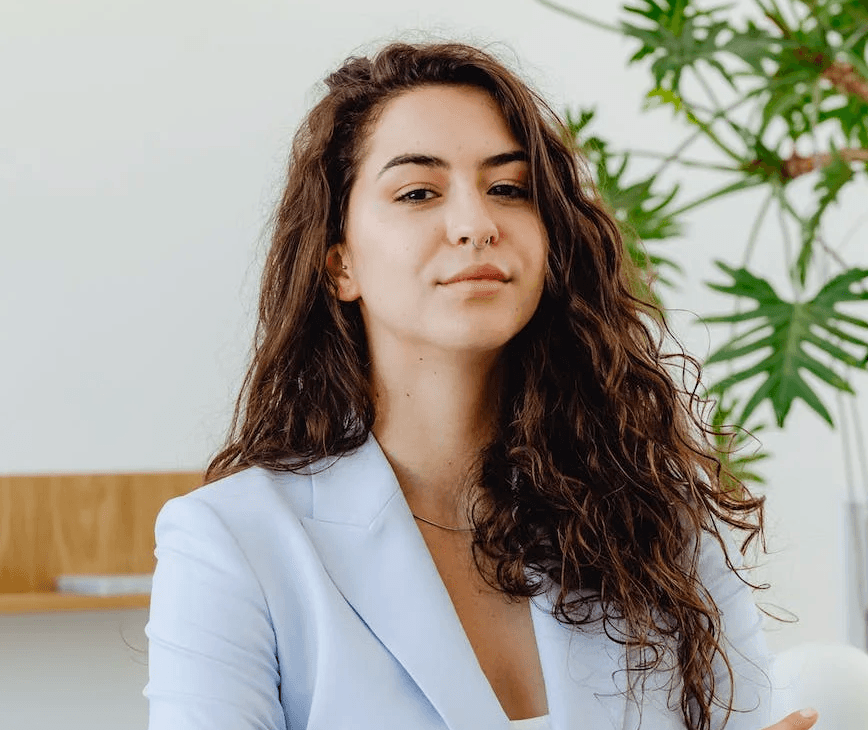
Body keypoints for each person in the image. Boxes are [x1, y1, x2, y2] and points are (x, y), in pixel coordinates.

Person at [144, 39, 819, 730]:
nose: (475, 224)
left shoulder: (656, 518)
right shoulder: (233, 543)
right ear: (338, 264)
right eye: (418, 193)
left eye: (508, 189)